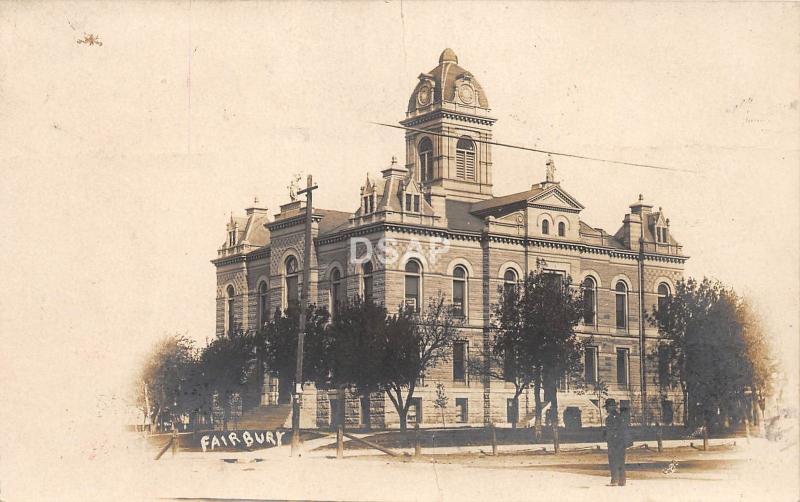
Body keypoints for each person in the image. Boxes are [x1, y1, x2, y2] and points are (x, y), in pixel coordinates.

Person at [603, 399, 630, 486]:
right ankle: (621, 480)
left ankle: (615, 480)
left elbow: (617, 430)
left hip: (616, 443)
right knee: (619, 461)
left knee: (614, 461)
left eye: (607, 407)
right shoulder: (617, 417)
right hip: (617, 443)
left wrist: (609, 437)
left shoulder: (614, 418)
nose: (606, 409)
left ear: (612, 407)